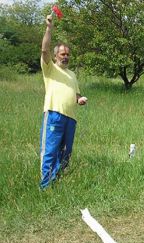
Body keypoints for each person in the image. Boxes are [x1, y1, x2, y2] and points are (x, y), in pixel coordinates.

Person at [40, 14, 87, 189]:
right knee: (50, 152)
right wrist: (49, 28)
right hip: (54, 115)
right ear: (56, 56)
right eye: (62, 54)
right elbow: (44, 50)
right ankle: (45, 187)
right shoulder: (50, 68)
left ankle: (57, 182)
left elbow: (75, 94)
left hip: (71, 119)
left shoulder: (72, 74)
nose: (65, 57)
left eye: (67, 54)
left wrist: (79, 99)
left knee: (66, 153)